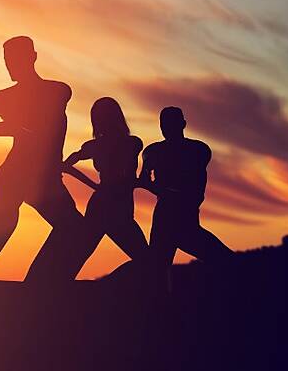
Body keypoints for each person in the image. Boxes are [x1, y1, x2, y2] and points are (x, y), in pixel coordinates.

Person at [0, 36, 85, 282]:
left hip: (45, 178)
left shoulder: (57, 90)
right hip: (15, 175)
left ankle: (39, 279)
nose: (11, 66)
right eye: (7, 61)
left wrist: (2, 125)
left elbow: (40, 124)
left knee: (74, 229)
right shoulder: (3, 98)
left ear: (32, 57)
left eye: (16, 60)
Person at [62, 97, 149, 276]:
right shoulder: (130, 143)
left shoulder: (121, 144)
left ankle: (110, 285)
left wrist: (95, 185)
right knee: (146, 259)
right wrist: (94, 185)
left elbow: (67, 165)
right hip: (110, 206)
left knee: (145, 259)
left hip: (111, 205)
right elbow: (66, 166)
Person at [139, 106, 233, 270]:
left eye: (171, 124)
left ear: (183, 124)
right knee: (157, 269)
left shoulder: (198, 150)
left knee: (226, 260)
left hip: (186, 217)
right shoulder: (153, 152)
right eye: (164, 124)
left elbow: (198, 185)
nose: (167, 128)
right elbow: (144, 180)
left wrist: (178, 196)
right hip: (166, 217)